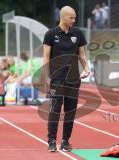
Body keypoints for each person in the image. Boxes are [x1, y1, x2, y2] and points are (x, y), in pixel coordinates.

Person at [43, 6, 90, 152]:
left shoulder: (78, 33)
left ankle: (65, 141)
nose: (74, 20)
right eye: (71, 17)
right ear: (63, 17)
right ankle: (51, 141)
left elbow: (82, 54)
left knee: (70, 111)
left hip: (74, 79)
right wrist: (46, 77)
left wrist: (86, 68)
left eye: (75, 17)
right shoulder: (50, 34)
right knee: (55, 110)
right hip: (56, 79)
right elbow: (45, 56)